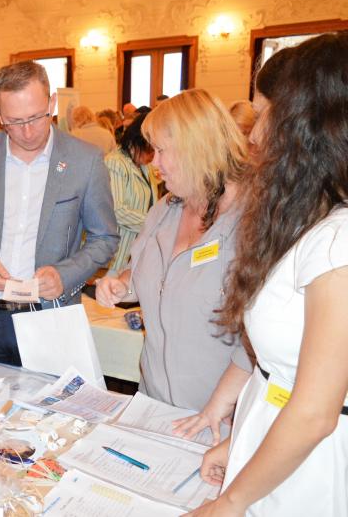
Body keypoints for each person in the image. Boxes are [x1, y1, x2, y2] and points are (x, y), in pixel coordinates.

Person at [191, 32, 348, 517]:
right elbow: (278, 377)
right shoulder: (316, 220)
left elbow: (315, 412)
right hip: (276, 456)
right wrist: (241, 442)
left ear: (307, 125)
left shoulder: (338, 241)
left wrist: (232, 500)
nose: (255, 135)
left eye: (264, 115)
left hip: (310, 475)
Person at [0, 60, 119, 377]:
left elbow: (105, 237)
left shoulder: (85, 160)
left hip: (50, 317)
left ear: (52, 103)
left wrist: (65, 274)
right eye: (14, 121)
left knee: (48, 407)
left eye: (36, 117)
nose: (27, 130)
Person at [96, 89, 253, 443]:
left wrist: (223, 403)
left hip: (218, 418)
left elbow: (259, 339)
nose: (154, 163)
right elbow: (142, 273)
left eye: (162, 151)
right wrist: (120, 283)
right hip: (155, 406)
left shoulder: (251, 222)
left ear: (196, 147)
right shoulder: (165, 209)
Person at [103, 113, 155, 274]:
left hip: (139, 249)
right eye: (152, 148)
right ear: (139, 141)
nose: (154, 155)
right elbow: (117, 210)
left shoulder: (144, 165)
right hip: (119, 252)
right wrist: (153, 223)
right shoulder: (115, 162)